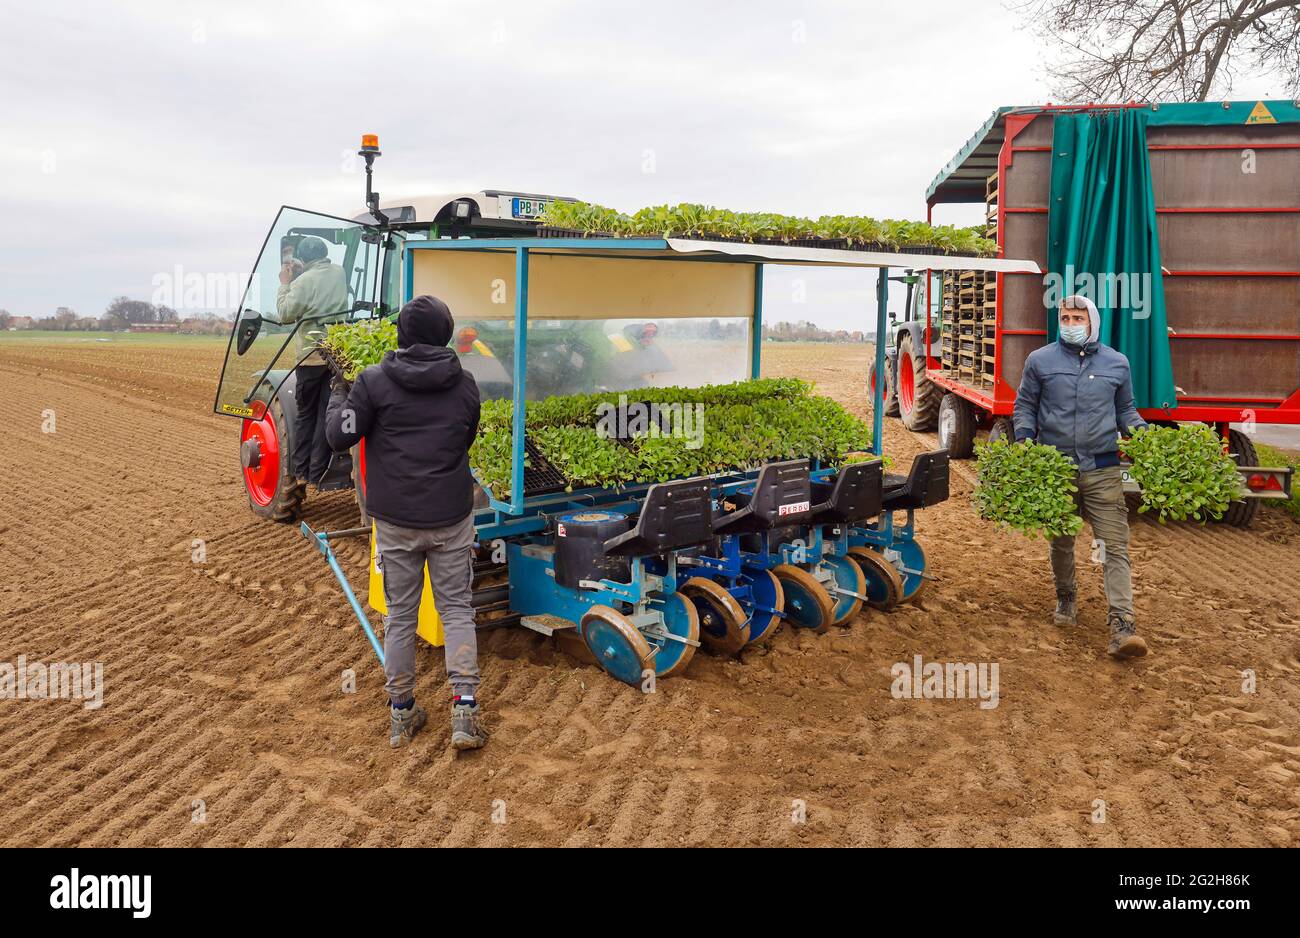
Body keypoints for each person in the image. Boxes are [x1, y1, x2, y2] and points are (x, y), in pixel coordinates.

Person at [324, 295, 486, 750]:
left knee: (400, 614)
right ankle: (465, 710)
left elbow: (340, 436)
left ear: (401, 335)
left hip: (395, 519)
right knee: (456, 608)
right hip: (451, 515)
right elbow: (465, 435)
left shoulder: (374, 382)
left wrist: (340, 391)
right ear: (446, 333)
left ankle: (401, 712)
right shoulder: (465, 383)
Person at [1012, 294, 1150, 659]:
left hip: (1103, 469)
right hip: (1057, 468)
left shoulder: (1116, 363)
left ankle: (1122, 623)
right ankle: (1066, 596)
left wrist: (1145, 435)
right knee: (1062, 540)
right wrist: (1024, 439)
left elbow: (1126, 411)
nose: (1070, 323)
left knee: (1113, 546)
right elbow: (1025, 405)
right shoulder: (1040, 361)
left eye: (1078, 317)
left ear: (1093, 321)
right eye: (1065, 317)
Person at [276, 236, 348, 489]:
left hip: (310, 358)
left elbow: (285, 314)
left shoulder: (303, 281)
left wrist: (286, 283)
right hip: (336, 357)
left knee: (305, 415)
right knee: (325, 416)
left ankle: (300, 472)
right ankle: (319, 472)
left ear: (303, 259)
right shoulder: (339, 273)